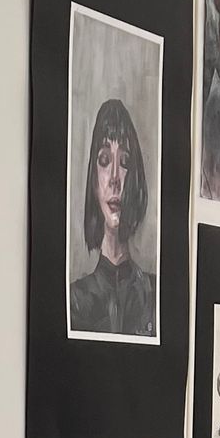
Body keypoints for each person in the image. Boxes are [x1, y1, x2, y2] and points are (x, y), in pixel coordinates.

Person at [68, 97, 156, 338]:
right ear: (94, 180)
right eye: (105, 160)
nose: (115, 178)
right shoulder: (75, 301)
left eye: (125, 162)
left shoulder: (154, 296)